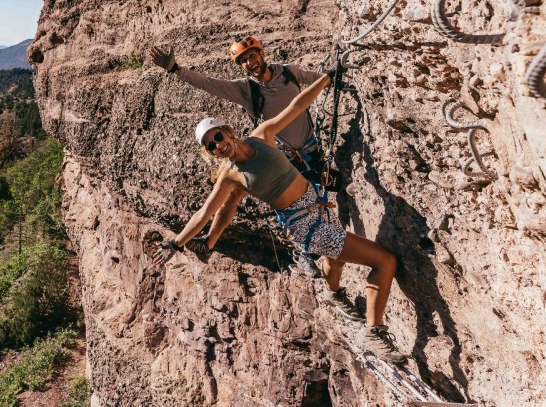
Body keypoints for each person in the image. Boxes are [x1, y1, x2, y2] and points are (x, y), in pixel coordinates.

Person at [152, 74, 405, 364]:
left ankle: (334, 293)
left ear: (227, 131)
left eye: (218, 137)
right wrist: (176, 243)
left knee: (336, 259)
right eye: (211, 146)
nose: (218, 145)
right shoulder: (231, 178)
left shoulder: (261, 136)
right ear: (211, 153)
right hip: (306, 227)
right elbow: (204, 212)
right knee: (384, 261)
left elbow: (296, 107)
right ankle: (374, 333)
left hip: (318, 204)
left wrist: (326, 78)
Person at [149, 36, 330, 187]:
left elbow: (318, 80)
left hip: (316, 145)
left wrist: (338, 80)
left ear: (262, 54)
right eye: (243, 61)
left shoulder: (289, 72)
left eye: (252, 56)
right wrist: (176, 69)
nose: (250, 62)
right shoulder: (246, 90)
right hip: (288, 162)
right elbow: (208, 84)